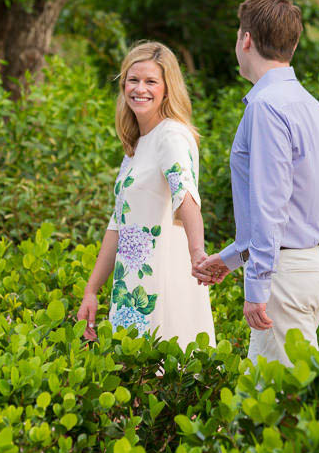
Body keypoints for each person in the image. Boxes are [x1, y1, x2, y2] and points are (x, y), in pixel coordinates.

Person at [194, 0, 319, 366]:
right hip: (313, 267)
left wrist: (257, 286)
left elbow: (271, 206)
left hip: (285, 277)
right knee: (258, 405)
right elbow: (293, 203)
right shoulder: (309, 104)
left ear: (246, 40)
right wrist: (230, 259)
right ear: (294, 43)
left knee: (290, 408)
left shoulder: (265, 106)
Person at [77, 42, 215, 348]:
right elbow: (118, 223)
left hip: (162, 279)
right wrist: (92, 290)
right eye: (133, 80)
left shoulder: (171, 135)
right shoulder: (139, 144)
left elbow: (186, 196)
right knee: (133, 379)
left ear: (168, 88)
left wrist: (198, 256)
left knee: (158, 378)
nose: (140, 89)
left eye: (151, 81)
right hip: (132, 283)